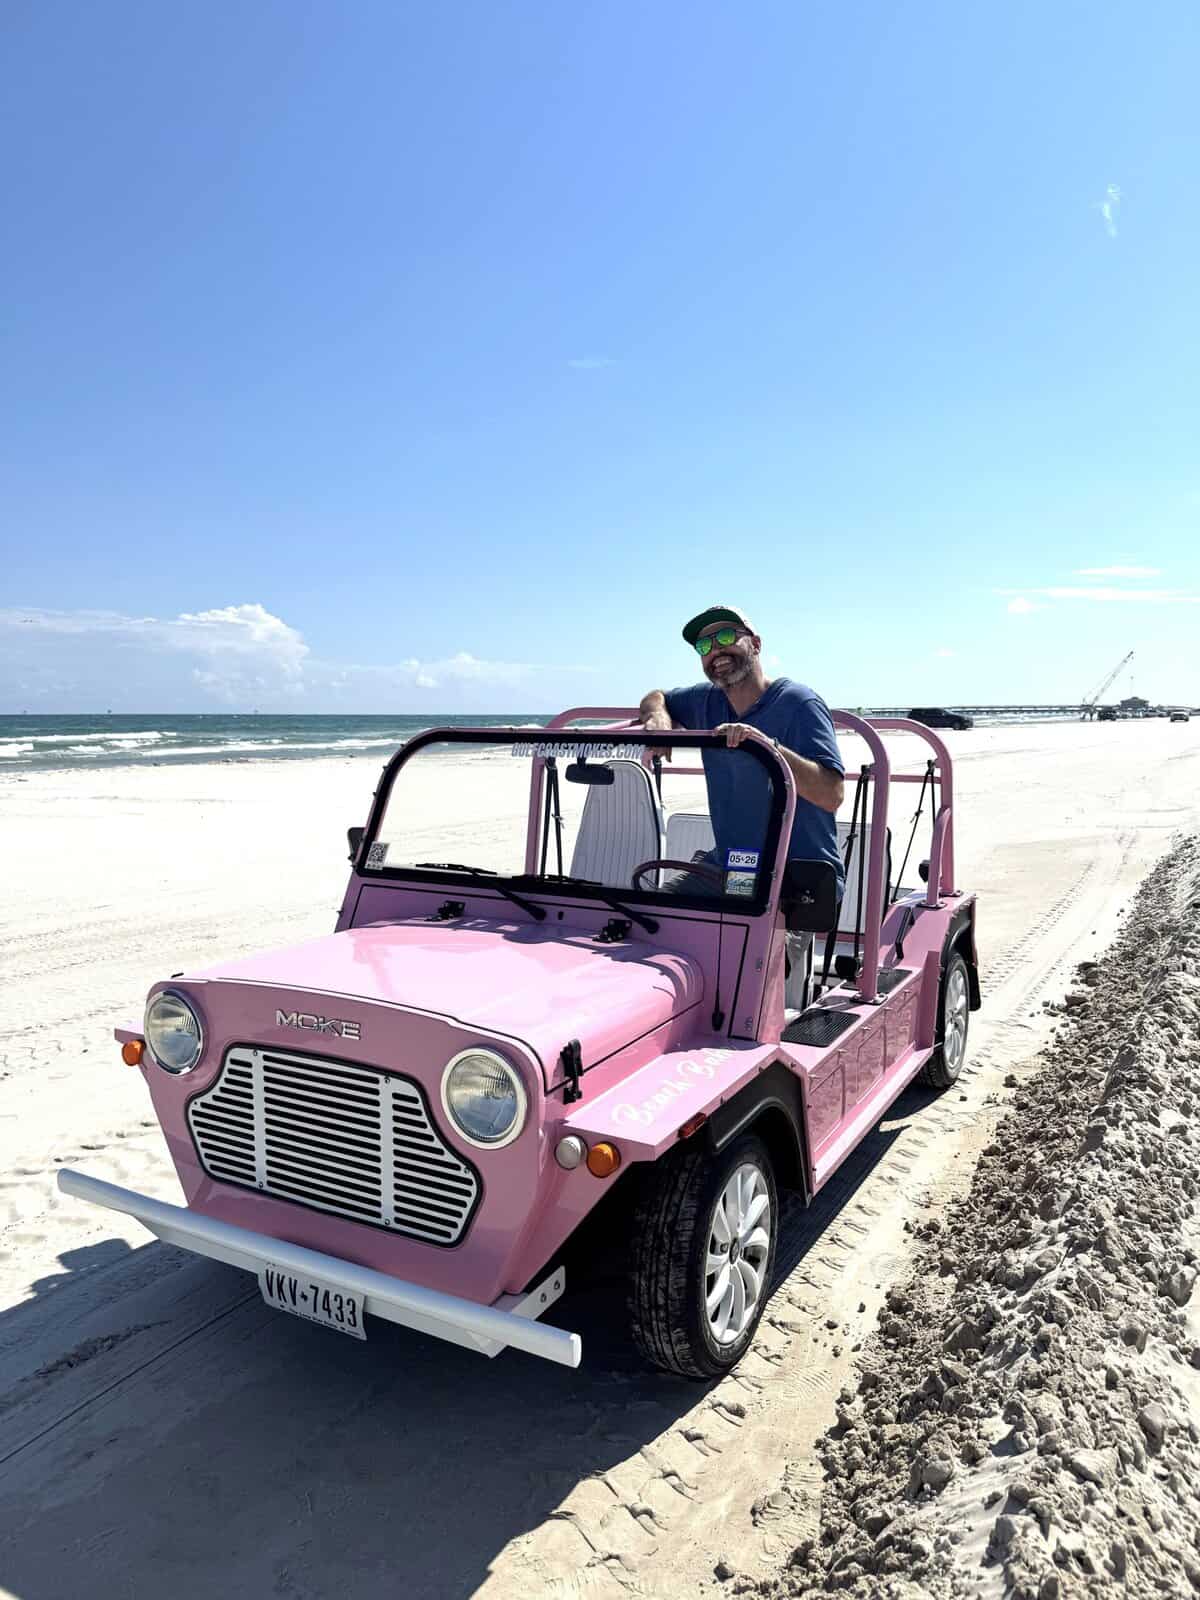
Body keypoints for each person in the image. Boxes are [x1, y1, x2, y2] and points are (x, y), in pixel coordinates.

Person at [638, 605, 845, 900]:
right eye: (704, 645)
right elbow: (655, 696)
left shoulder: (799, 704)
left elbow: (831, 794)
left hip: (797, 877)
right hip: (736, 868)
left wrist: (766, 747)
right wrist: (658, 718)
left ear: (756, 644)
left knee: (754, 943)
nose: (715, 651)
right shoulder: (705, 700)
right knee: (651, 915)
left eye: (725, 637)